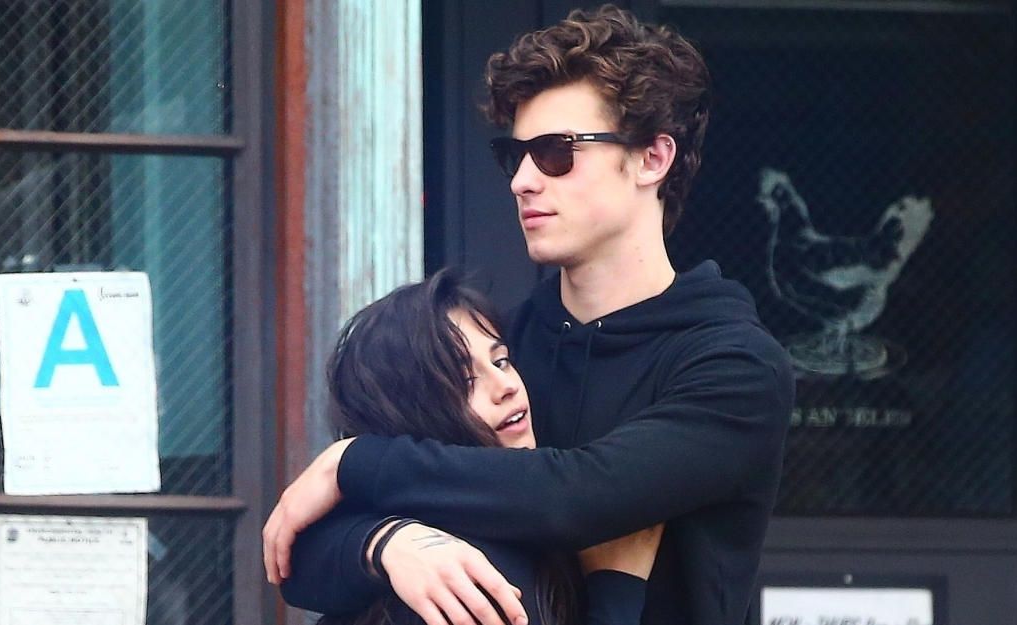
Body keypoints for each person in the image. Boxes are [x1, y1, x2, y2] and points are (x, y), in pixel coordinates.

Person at [265, 6, 794, 625]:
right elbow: (298, 554)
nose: (522, 180)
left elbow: (577, 497)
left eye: (555, 152)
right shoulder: (500, 353)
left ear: (653, 159)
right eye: (513, 155)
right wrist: (389, 543)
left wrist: (354, 462)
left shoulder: (733, 366)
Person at [294, 269, 662, 625]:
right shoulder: (467, 579)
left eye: (501, 360)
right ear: (407, 414)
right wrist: (617, 590)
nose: (505, 385)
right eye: (466, 381)